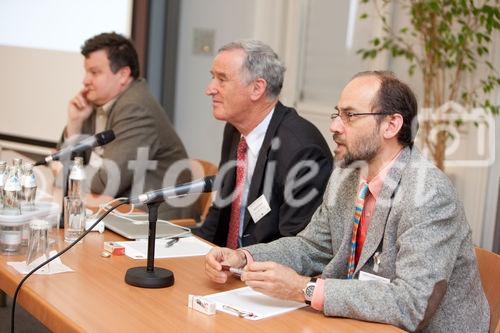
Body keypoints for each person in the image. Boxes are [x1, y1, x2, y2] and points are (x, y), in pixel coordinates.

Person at [204, 71, 489, 332]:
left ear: (391, 124)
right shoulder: (346, 174)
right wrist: (246, 257)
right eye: (337, 114)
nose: (334, 126)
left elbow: (411, 304)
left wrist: (305, 288)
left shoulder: (429, 193)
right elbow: (312, 246)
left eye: (350, 116)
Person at [194, 40, 333, 248]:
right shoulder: (234, 129)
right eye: (212, 77)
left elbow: (294, 245)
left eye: (222, 79)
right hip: (228, 263)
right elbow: (221, 212)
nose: (210, 89)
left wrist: (241, 261)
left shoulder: (302, 149)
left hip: (264, 270)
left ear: (257, 88)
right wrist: (183, 246)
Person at [59, 32, 193, 219]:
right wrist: (75, 123)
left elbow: (105, 183)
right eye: (86, 71)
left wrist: (65, 175)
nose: (85, 81)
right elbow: (61, 163)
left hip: (152, 223)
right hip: (113, 213)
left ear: (123, 75)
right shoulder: (97, 103)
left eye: (94, 72)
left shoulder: (136, 108)